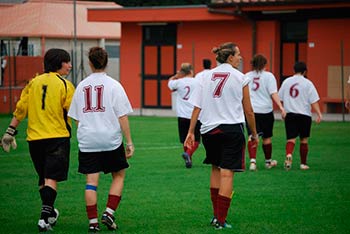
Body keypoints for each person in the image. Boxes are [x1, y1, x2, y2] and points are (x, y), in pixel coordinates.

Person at [184, 42, 259, 229]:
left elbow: (197, 106)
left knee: (216, 169)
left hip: (209, 130)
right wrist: (254, 133)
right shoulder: (241, 77)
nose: (241, 58)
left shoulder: (204, 77)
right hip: (231, 130)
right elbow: (248, 111)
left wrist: (191, 131)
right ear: (230, 57)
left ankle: (215, 216)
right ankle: (221, 219)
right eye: (238, 54)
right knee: (227, 174)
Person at [1, 48, 75, 232]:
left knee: (43, 179)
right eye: (68, 62)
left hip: (34, 139)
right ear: (59, 63)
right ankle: (44, 219)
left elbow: (20, 109)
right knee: (51, 178)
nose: (70, 65)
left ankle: (50, 213)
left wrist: (10, 132)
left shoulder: (33, 83)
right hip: (57, 137)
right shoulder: (65, 85)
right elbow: (74, 110)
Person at [68, 47, 134, 232]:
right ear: (106, 62)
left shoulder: (81, 86)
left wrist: (86, 130)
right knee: (119, 175)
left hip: (88, 140)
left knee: (91, 181)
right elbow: (122, 116)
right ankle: (109, 212)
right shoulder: (114, 85)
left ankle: (93, 223)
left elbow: (75, 116)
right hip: (110, 140)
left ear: (90, 63)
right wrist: (129, 142)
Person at [244, 54, 286, 171]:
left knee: (252, 135)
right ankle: (268, 162)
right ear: (264, 64)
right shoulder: (269, 76)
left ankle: (253, 162)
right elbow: (273, 93)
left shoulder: (246, 76)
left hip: (251, 111)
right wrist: (281, 107)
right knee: (267, 137)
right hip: (266, 110)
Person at [278, 61, 322, 170]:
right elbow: (313, 101)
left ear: (294, 70)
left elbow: (280, 98)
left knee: (291, 139)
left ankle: (289, 154)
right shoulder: (308, 83)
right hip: (304, 115)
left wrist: (283, 110)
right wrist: (319, 113)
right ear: (305, 71)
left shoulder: (286, 82)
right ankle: (303, 164)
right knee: (304, 140)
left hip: (290, 114)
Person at [168, 63, 200, 168]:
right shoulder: (197, 81)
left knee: (185, 139)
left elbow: (170, 83)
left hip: (182, 115)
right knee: (196, 140)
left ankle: (188, 160)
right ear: (191, 71)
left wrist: (176, 76)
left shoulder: (178, 82)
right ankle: (188, 154)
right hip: (194, 115)